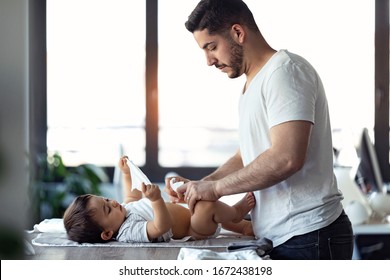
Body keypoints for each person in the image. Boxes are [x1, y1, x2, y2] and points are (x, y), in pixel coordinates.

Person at [164, 0, 354, 259]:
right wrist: (203, 184)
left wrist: (217, 190)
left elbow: (286, 157)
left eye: (212, 47)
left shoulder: (285, 72)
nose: (209, 61)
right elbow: (248, 156)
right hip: (284, 236)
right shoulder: (252, 84)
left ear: (238, 33)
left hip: (311, 235)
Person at [63, 156, 255, 244]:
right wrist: (156, 200)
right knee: (206, 206)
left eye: (106, 199)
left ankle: (243, 228)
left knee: (196, 198)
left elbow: (132, 195)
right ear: (107, 233)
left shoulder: (123, 211)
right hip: (195, 228)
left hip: (188, 213)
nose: (113, 203)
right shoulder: (127, 231)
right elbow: (160, 227)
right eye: (107, 209)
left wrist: (126, 173)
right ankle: (237, 213)